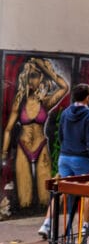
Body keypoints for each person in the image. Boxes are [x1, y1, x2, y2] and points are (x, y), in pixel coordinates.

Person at [2, 57, 68, 211]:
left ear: (41, 77)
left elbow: (64, 87)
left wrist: (44, 67)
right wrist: (4, 153)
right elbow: (7, 129)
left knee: (45, 198)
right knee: (25, 201)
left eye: (34, 75)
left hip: (41, 145)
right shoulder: (20, 102)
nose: (31, 80)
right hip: (23, 146)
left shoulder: (45, 101)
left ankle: (45, 220)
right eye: (29, 76)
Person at [38, 82, 89, 239]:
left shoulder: (65, 113)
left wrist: (65, 149)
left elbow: (60, 135)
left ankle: (46, 224)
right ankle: (86, 226)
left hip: (64, 157)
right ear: (87, 97)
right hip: (82, 158)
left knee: (60, 190)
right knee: (87, 192)